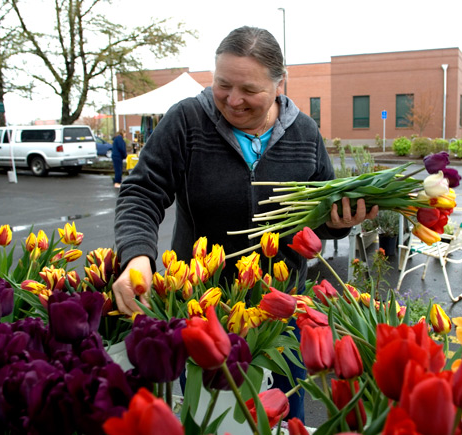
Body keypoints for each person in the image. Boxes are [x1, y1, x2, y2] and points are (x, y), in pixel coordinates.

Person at [113, 26, 377, 421]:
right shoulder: (187, 121)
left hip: (280, 314)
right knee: (209, 419)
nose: (233, 100)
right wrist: (136, 256)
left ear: (278, 84)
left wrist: (340, 223)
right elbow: (142, 191)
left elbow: (318, 218)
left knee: (283, 420)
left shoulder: (304, 132)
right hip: (204, 312)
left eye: (249, 90)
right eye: (223, 85)